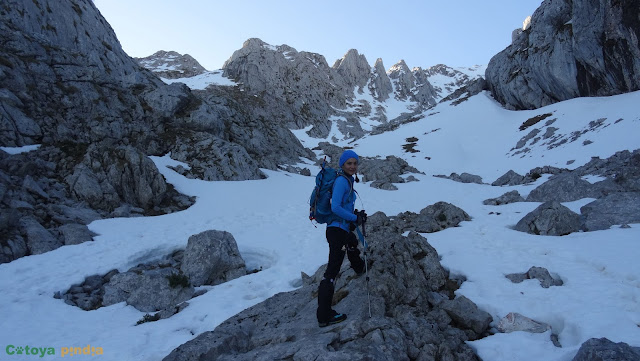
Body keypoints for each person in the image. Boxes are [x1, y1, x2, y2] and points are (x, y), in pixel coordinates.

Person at [316, 149, 367, 327]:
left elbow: (343, 205)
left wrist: (353, 215)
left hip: (340, 229)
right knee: (332, 271)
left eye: (355, 163)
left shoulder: (347, 180)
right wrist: (354, 218)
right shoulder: (341, 182)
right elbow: (336, 207)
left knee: (352, 242)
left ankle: (359, 267)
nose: (352, 166)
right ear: (342, 165)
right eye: (349, 163)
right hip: (336, 231)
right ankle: (324, 315)